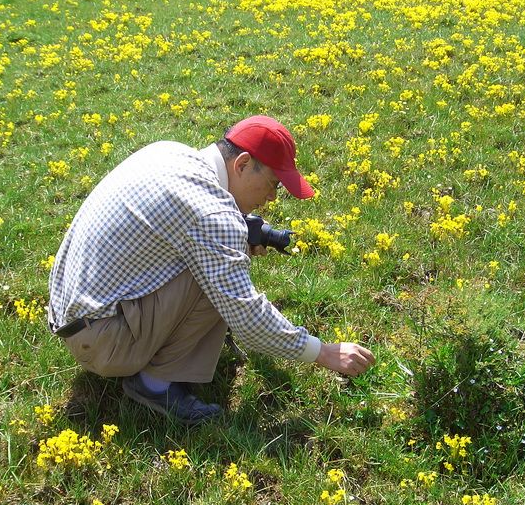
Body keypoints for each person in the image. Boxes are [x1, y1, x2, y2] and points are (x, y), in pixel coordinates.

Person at [48, 115, 375, 425]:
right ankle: (154, 385)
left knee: (217, 265)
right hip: (103, 343)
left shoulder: (169, 151)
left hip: (76, 316)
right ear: (243, 164)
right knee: (222, 283)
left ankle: (156, 359)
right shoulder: (212, 215)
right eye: (273, 184)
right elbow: (246, 316)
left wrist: (238, 235)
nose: (272, 198)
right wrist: (323, 353)